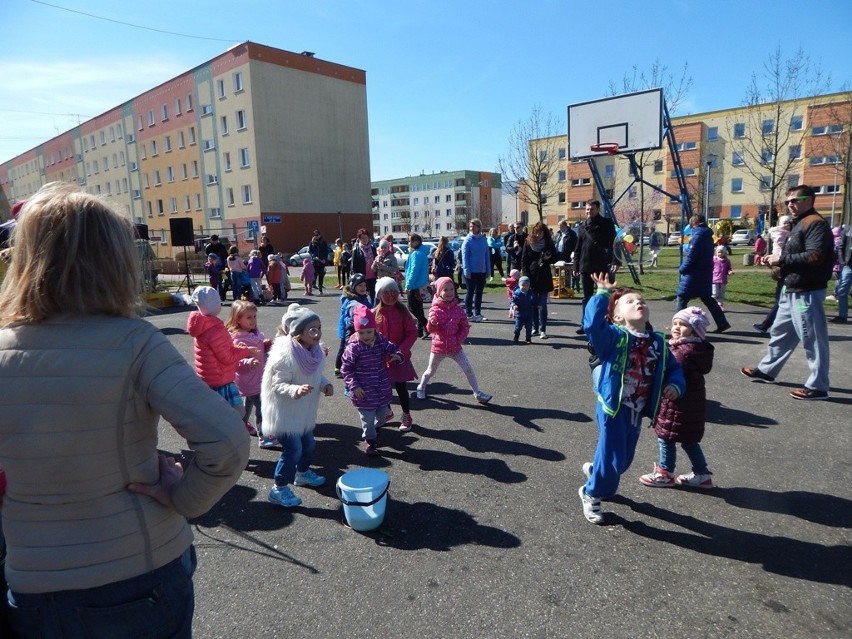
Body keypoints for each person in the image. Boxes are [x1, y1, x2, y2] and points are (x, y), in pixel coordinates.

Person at [0, 182, 249, 637]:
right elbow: (228, 443)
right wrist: (183, 497)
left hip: (33, 581)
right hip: (138, 572)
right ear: (115, 262)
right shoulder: (135, 344)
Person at [578, 273, 685, 524]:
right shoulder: (614, 338)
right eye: (629, 302)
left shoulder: (658, 342)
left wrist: (676, 385)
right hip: (613, 408)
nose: (639, 303)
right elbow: (592, 326)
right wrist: (602, 294)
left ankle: (597, 473)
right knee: (613, 457)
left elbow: (673, 369)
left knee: (623, 460)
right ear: (616, 316)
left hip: (638, 410)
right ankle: (591, 492)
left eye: (642, 301)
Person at [741, 185, 834, 400]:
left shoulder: (815, 224)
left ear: (810, 200)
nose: (790, 205)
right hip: (791, 289)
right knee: (781, 333)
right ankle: (767, 370)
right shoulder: (799, 223)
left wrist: (781, 259)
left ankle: (818, 386)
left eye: (795, 200)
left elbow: (814, 257)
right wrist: (776, 263)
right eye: (788, 202)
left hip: (806, 293)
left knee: (812, 338)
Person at [262, 304, 334, 507]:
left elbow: (315, 376)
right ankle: (279, 489)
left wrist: (325, 384)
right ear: (298, 333)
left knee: (309, 445)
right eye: (312, 329)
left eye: (319, 328)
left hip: (302, 412)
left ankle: (302, 474)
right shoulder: (285, 356)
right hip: (284, 412)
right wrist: (295, 390)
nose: (318, 333)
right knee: (293, 449)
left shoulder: (314, 352)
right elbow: (277, 385)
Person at [639, 307, 715, 489]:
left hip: (677, 404)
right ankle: (702, 474)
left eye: (683, 325)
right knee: (689, 440)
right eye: (675, 323)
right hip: (691, 405)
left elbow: (667, 372)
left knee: (666, 438)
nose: (676, 327)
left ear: (695, 330)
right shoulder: (696, 349)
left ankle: (665, 472)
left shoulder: (681, 353)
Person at [188, 286, 258, 432]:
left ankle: (221, 432)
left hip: (208, 378)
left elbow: (224, 349)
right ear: (214, 305)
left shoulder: (201, 325)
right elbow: (226, 357)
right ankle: (226, 434)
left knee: (215, 410)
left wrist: (242, 349)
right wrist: (245, 351)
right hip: (221, 379)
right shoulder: (214, 329)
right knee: (236, 412)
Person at [415, 277, 492, 404]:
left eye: (452, 289)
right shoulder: (435, 310)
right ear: (439, 292)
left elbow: (465, 327)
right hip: (438, 348)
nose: (450, 292)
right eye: (446, 289)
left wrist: (458, 339)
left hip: (455, 348)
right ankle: (421, 387)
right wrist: (432, 323)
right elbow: (430, 329)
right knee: (430, 371)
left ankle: (477, 393)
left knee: (468, 369)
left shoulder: (458, 310)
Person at [341, 305, 404, 456]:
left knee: (384, 414)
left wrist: (397, 355)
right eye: (362, 332)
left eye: (369, 331)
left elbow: (391, 347)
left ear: (374, 329)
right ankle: (370, 440)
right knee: (367, 419)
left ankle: (375, 429)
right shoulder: (354, 347)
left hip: (380, 386)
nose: (366, 335)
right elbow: (346, 369)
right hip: (363, 390)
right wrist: (354, 386)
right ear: (357, 331)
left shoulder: (380, 339)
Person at [227, 300, 276, 447]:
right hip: (248, 379)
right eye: (249, 317)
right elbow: (235, 360)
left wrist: (265, 345)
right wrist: (248, 362)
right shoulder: (237, 339)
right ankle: (265, 437)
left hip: (256, 378)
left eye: (254, 316)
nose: (253, 320)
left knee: (247, 404)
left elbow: (259, 352)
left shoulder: (253, 334)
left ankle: (241, 425)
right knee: (262, 407)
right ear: (237, 319)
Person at [374, 276, 419, 432]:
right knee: (382, 388)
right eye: (386, 292)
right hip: (380, 360)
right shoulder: (374, 313)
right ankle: (387, 412)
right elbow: (365, 334)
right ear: (379, 294)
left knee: (401, 388)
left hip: (399, 358)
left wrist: (400, 352)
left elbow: (412, 333)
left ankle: (406, 415)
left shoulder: (402, 311)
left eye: (394, 291)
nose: (391, 295)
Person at [675, 214, 731, 333]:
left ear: (694, 223)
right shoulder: (707, 236)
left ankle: (680, 325)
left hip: (694, 273)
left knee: (682, 298)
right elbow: (697, 252)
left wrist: (682, 269)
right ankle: (722, 322)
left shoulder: (697, 236)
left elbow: (692, 256)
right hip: (705, 273)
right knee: (708, 299)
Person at [573, 200, 618, 334]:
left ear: (598, 209)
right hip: (586, 266)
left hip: (602, 266)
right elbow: (578, 249)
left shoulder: (607, 224)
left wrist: (616, 261)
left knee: (604, 296)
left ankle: (606, 322)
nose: (589, 212)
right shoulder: (582, 227)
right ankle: (585, 324)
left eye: (591, 209)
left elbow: (615, 244)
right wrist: (576, 266)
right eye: (587, 209)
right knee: (587, 297)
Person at [753, 215, 793, 333]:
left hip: (784, 266)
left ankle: (767, 325)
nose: (787, 224)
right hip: (782, 266)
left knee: (783, 298)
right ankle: (767, 325)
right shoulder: (783, 233)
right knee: (783, 298)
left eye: (788, 222)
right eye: (785, 222)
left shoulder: (788, 233)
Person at [521, 221, 557, 339]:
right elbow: (524, 260)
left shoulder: (548, 243)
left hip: (544, 276)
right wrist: (526, 277)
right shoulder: (528, 242)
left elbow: (554, 258)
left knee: (542, 305)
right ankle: (535, 328)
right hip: (531, 276)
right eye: (536, 232)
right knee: (533, 305)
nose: (538, 235)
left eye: (540, 233)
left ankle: (543, 329)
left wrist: (548, 258)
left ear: (544, 233)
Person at [334, 273, 372, 377]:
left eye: (364, 285)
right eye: (360, 285)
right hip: (348, 329)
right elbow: (347, 315)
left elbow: (370, 308)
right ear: (353, 286)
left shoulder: (363, 298)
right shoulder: (349, 300)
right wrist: (350, 325)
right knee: (344, 348)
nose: (363, 288)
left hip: (360, 328)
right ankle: (339, 367)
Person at [462, 218, 490, 321]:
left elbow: (486, 255)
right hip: (471, 271)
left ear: (479, 227)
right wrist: (466, 270)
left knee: (479, 293)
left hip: (481, 271)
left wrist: (488, 270)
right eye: (470, 226)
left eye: (473, 226)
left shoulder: (483, 240)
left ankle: (478, 313)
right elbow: (465, 257)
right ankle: (468, 314)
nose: (471, 228)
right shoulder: (467, 240)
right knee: (470, 292)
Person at [405, 233, 431, 337]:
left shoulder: (417, 254)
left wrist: (409, 284)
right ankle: (420, 330)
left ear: (417, 242)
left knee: (411, 307)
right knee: (419, 308)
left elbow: (414, 271)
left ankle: (427, 325)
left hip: (415, 285)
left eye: (411, 241)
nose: (409, 243)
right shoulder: (420, 253)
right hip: (421, 284)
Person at [829, 223, 851, 324]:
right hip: (848, 265)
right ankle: (842, 316)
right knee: (842, 291)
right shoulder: (848, 230)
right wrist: (842, 261)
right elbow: (841, 246)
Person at [351, 228, 378, 302]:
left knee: (374, 295)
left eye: (366, 238)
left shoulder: (373, 248)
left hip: (373, 276)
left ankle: (373, 310)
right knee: (361, 296)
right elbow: (353, 266)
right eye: (362, 238)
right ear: (359, 239)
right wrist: (355, 278)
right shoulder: (356, 250)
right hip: (362, 277)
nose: (365, 240)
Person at [511, 275, 535, 344]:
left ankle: (528, 338)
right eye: (523, 285)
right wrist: (514, 305)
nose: (525, 287)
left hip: (529, 314)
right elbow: (513, 301)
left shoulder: (531, 293)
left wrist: (538, 305)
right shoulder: (517, 294)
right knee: (518, 327)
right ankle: (516, 336)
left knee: (529, 327)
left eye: (527, 285)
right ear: (519, 285)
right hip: (520, 314)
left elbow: (534, 301)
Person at [711, 245, 733, 310]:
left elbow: (728, 268)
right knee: (714, 293)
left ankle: (720, 305)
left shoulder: (727, 261)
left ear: (724, 253)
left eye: (721, 252)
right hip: (714, 279)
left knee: (721, 293)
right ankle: (713, 304)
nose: (719, 254)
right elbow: (710, 267)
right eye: (718, 252)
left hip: (723, 280)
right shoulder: (714, 259)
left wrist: (729, 272)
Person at [309, 230, 329, 295]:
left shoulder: (323, 242)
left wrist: (324, 259)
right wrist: (314, 257)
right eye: (315, 235)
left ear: (320, 235)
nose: (316, 236)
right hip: (314, 261)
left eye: (317, 235)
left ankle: (320, 288)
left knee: (321, 275)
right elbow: (310, 251)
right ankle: (312, 287)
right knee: (314, 274)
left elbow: (326, 251)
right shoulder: (312, 243)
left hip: (321, 262)